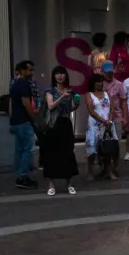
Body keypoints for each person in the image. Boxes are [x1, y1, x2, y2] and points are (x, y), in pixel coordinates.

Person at [42, 66, 80, 196]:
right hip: (53, 125)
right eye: (57, 74)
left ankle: (69, 184)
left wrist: (76, 102)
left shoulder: (70, 90)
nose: (60, 76)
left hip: (65, 124)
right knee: (52, 154)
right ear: (53, 76)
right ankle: (51, 185)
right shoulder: (49, 90)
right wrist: (62, 96)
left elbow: (70, 109)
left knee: (68, 153)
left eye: (62, 74)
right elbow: (51, 106)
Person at [10, 60, 38, 190]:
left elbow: (10, 104)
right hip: (23, 121)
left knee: (20, 150)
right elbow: (26, 103)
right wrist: (34, 118)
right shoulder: (23, 84)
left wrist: (11, 120)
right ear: (22, 71)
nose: (32, 72)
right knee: (28, 149)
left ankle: (21, 174)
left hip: (16, 121)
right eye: (29, 70)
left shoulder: (14, 84)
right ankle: (22, 177)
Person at [85, 73, 117, 180]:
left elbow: (112, 107)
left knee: (107, 148)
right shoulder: (89, 95)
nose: (100, 83)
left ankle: (108, 171)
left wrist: (109, 119)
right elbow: (91, 111)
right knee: (92, 149)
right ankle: (90, 172)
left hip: (107, 124)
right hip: (94, 124)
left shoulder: (107, 93)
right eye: (98, 81)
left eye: (101, 81)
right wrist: (103, 120)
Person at [101, 60, 126, 176]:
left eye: (111, 72)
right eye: (107, 73)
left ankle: (115, 167)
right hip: (102, 118)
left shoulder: (119, 84)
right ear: (102, 72)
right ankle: (105, 167)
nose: (109, 74)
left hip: (116, 117)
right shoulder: (99, 84)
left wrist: (124, 117)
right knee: (103, 144)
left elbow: (124, 101)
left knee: (116, 145)